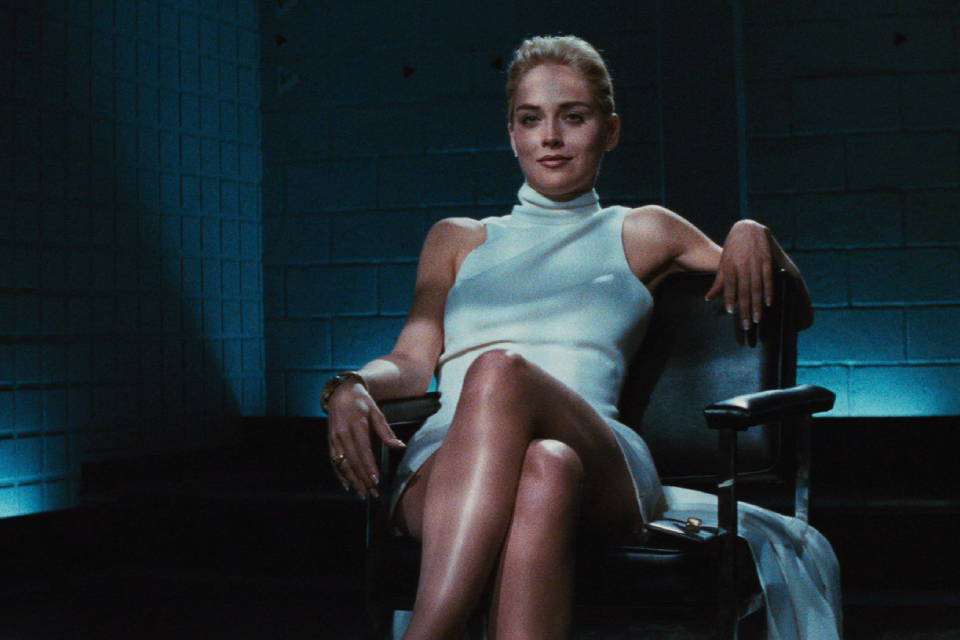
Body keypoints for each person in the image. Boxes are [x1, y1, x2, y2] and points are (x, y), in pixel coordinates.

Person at [324, 35, 823, 639]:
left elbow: (792, 310)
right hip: (450, 459)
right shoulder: (456, 238)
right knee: (546, 468)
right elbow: (410, 360)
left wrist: (753, 232)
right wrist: (350, 385)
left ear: (610, 131)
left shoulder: (643, 230)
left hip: (600, 458)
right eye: (531, 119)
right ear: (512, 135)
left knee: (501, 372)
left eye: (573, 117)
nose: (551, 138)